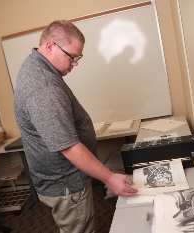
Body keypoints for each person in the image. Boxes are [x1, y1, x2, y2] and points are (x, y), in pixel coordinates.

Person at [14, 20, 138, 233]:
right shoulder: (43, 87)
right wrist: (109, 178)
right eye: (72, 57)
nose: (75, 63)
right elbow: (68, 146)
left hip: (65, 177)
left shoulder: (37, 66)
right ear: (51, 46)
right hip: (66, 183)